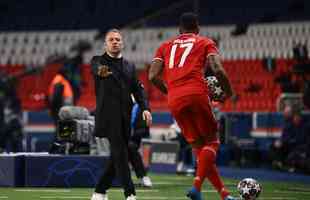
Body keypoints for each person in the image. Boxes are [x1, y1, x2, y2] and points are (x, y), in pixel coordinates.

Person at [148, 13, 235, 200]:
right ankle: (196, 187)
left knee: (199, 148)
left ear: (179, 30)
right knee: (212, 142)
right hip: (196, 92)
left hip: (174, 99)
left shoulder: (164, 46)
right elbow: (218, 69)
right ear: (197, 28)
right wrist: (229, 93)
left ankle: (224, 194)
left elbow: (152, 76)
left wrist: (170, 91)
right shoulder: (205, 42)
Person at [90, 29, 152, 200]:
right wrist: (101, 71)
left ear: (122, 43)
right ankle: (130, 193)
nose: (115, 42)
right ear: (106, 44)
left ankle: (99, 191)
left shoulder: (129, 66)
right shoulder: (97, 61)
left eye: (118, 39)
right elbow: (97, 69)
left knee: (118, 154)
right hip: (108, 117)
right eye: (111, 39)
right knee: (121, 153)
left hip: (125, 118)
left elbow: (138, 91)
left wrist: (145, 108)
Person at [128, 96, 152, 187]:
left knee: (130, 147)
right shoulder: (119, 103)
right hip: (118, 136)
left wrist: (130, 135)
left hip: (133, 138)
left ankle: (143, 176)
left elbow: (144, 129)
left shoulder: (143, 107)